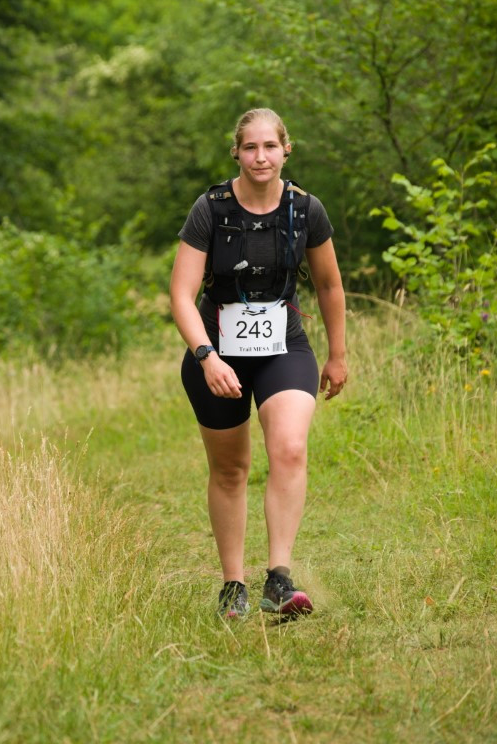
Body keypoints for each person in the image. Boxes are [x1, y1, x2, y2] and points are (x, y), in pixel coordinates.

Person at [170, 108, 347, 618]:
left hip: (284, 346)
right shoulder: (210, 209)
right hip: (215, 350)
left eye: (270, 146)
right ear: (237, 153)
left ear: (286, 150)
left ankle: (279, 579)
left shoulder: (305, 209)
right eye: (250, 147)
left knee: (289, 448)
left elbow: (329, 285)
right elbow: (181, 295)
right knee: (230, 469)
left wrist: (337, 355)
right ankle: (233, 587)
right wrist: (206, 357)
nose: (261, 156)